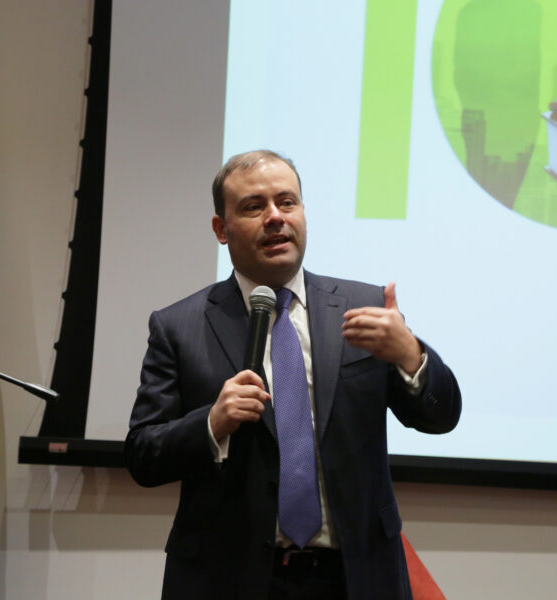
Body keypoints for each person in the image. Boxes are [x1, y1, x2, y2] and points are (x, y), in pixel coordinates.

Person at [125, 150, 461, 600]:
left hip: (355, 578)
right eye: (253, 206)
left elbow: (441, 418)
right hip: (229, 580)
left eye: (287, 202)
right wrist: (211, 423)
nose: (275, 217)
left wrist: (411, 356)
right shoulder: (178, 327)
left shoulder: (365, 307)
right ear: (221, 230)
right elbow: (143, 456)